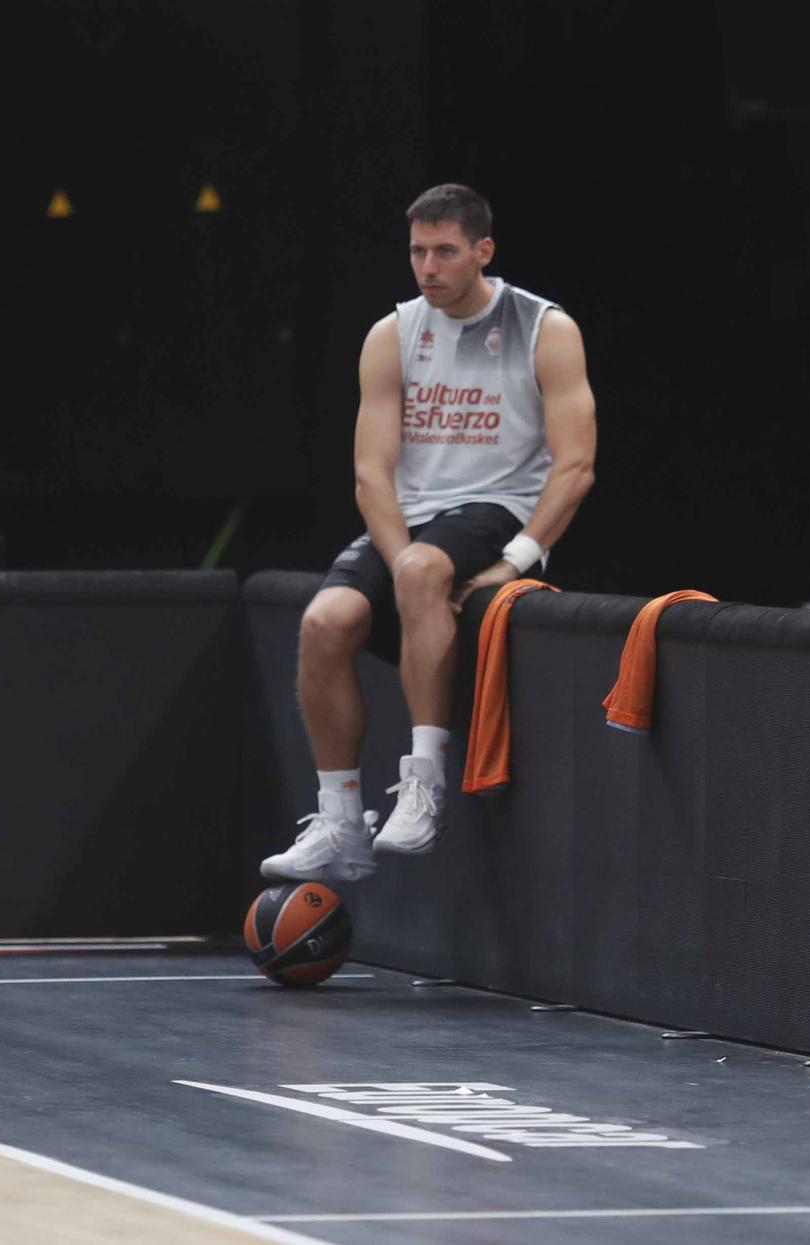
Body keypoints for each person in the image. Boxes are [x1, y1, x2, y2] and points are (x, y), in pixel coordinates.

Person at [263, 184, 597, 885]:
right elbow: (369, 477)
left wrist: (516, 560)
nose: (428, 266)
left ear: (483, 251)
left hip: (497, 506)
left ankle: (425, 784)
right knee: (326, 620)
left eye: (445, 251)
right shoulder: (393, 334)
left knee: (418, 569)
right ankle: (341, 822)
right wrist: (400, 567)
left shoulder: (544, 327)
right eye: (418, 251)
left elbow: (575, 467)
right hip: (413, 521)